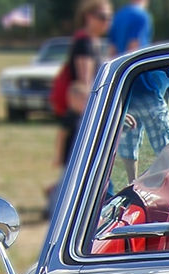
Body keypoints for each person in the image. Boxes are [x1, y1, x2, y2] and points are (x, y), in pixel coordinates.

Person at [110, 0, 169, 184]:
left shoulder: (119, 17)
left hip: (127, 90)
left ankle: (132, 184)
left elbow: (113, 50)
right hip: (145, 87)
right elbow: (134, 47)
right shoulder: (141, 16)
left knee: (129, 142)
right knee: (164, 142)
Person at [55, 0, 112, 170]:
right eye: (102, 17)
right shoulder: (84, 44)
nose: (106, 22)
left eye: (109, 17)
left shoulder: (93, 42)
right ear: (88, 17)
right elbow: (85, 82)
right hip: (81, 113)